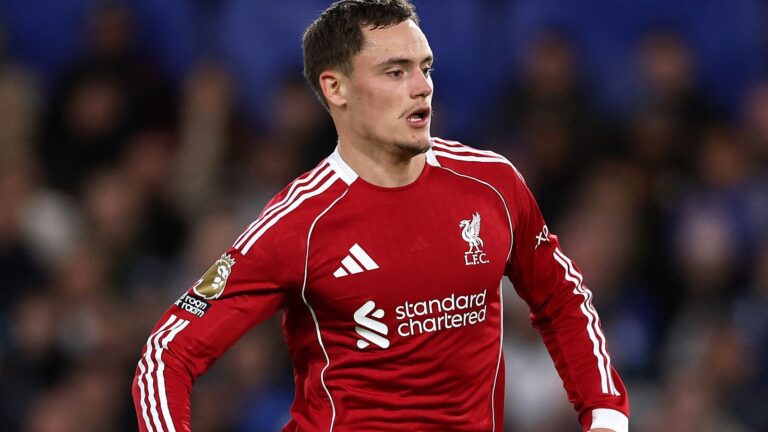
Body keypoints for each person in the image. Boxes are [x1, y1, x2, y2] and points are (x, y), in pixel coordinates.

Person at [132, 1, 629, 431]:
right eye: (396, 72)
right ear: (336, 88)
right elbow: (167, 354)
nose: (421, 87)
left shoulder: (492, 185)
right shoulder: (299, 223)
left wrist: (606, 412)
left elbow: (561, 298)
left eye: (425, 68)